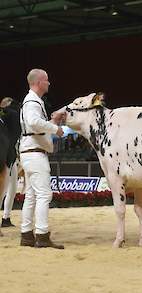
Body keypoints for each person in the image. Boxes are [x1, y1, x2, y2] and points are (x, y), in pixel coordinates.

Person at [19, 68, 64, 249]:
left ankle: (26, 235)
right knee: (44, 194)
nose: (49, 83)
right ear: (39, 82)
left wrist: (53, 121)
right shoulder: (32, 101)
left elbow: (36, 125)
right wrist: (55, 129)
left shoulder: (32, 101)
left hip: (29, 152)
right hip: (35, 154)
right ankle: (42, 235)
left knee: (31, 196)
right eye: (46, 80)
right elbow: (34, 123)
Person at [0, 97, 21, 227]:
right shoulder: (9, 115)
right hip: (5, 156)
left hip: (11, 155)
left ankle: (6, 218)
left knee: (12, 188)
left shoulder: (10, 115)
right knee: (2, 189)